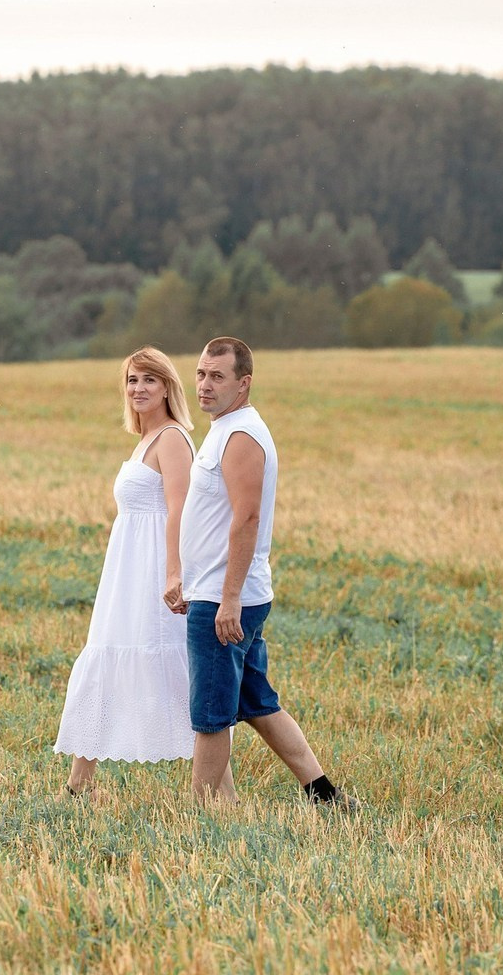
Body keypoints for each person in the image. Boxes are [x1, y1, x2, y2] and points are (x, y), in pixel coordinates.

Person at [176, 336, 357, 809]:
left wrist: (229, 598)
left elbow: (248, 518)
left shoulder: (241, 436)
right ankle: (326, 796)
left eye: (218, 376)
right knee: (257, 703)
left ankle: (205, 814)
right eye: (201, 373)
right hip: (222, 592)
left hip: (225, 598)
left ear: (244, 383)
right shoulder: (225, 428)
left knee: (211, 713)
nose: (204, 384)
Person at [54, 346, 198, 794]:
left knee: (173, 666)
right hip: (126, 570)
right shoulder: (145, 440)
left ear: (167, 387)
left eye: (149, 380)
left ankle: (216, 785)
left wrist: (173, 574)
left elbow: (180, 509)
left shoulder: (172, 438)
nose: (138, 388)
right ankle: (80, 784)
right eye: (132, 380)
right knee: (106, 656)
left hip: (154, 569)